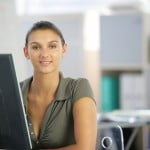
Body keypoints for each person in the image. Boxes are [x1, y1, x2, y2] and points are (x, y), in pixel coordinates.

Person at [20, 21, 97, 150]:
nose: (44, 54)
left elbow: (86, 148)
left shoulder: (78, 88)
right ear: (26, 52)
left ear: (64, 49)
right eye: (36, 47)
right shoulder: (14, 92)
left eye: (52, 46)